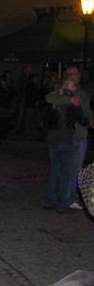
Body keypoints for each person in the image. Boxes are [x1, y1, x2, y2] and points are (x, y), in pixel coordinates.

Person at [45, 65, 93, 210]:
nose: (74, 76)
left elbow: (87, 115)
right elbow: (82, 119)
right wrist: (72, 101)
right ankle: (65, 202)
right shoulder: (66, 97)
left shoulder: (71, 96)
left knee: (59, 170)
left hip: (57, 138)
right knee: (69, 171)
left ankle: (51, 201)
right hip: (67, 138)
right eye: (70, 74)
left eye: (76, 73)